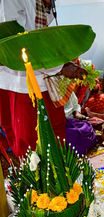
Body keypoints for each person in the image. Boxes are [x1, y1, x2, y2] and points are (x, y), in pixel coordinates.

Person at [0, 0, 83, 158]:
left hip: (44, 77)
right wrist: (60, 68)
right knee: (31, 147)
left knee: (56, 136)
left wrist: (61, 64)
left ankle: (58, 178)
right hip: (20, 85)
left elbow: (40, 36)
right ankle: (42, 182)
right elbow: (15, 45)